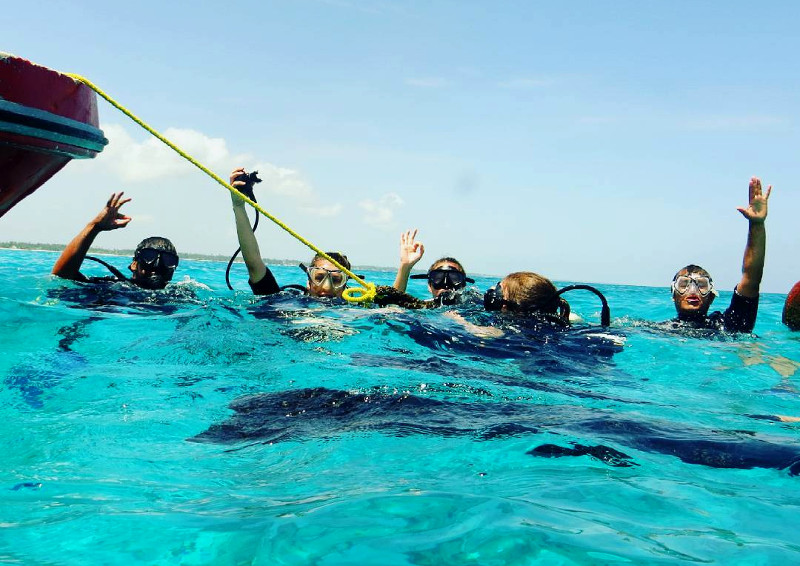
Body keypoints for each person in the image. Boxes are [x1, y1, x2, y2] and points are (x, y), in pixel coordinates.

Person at [229, 167, 352, 298]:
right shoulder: (285, 300)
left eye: (336, 280)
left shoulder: (355, 311)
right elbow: (254, 265)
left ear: (345, 286)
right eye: (319, 277)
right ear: (309, 281)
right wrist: (238, 206)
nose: (326, 287)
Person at [669, 176, 771, 333]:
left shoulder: (727, 325)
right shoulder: (660, 330)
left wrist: (757, 224)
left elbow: (751, 280)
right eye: (683, 284)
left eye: (702, 285)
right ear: (674, 294)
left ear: (711, 297)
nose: (692, 290)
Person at [52, 192, 179, 290]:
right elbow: (62, 276)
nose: (157, 265)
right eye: (149, 256)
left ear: (173, 270)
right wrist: (94, 227)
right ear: (134, 264)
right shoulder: (113, 286)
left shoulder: (180, 295)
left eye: (168, 260)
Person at [392, 229, 474, 305]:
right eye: (438, 277)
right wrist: (405, 266)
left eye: (454, 278)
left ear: (463, 285)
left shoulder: (474, 307)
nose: (446, 284)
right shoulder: (421, 308)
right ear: (429, 286)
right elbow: (392, 307)